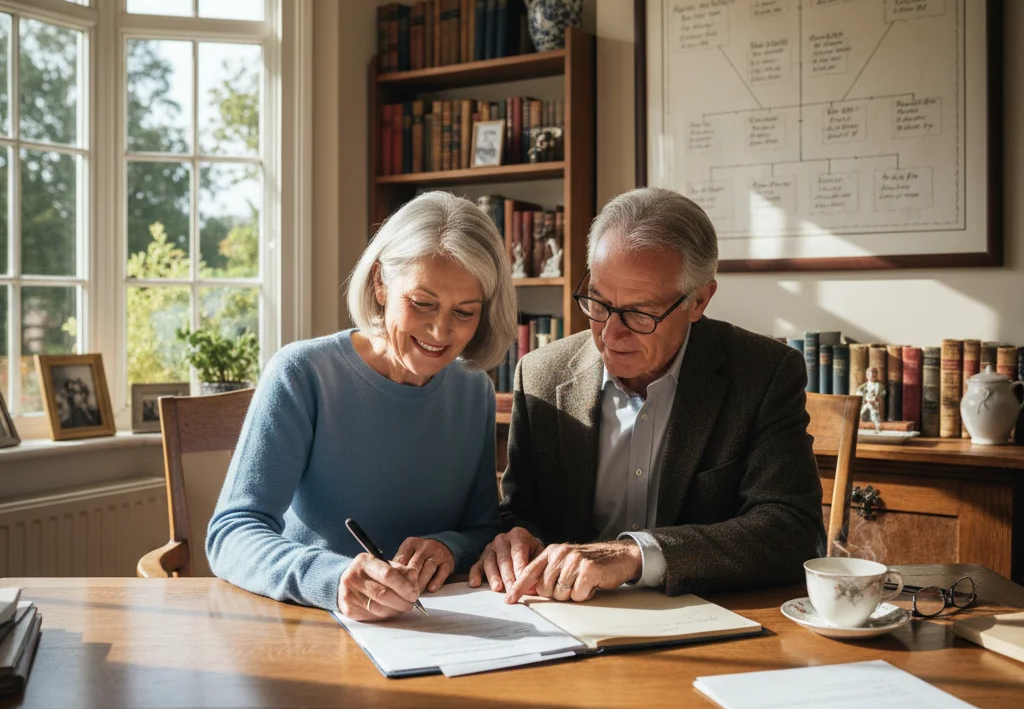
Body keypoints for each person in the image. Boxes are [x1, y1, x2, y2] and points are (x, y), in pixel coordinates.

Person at [470, 187, 823, 604]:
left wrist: (636, 554)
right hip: (569, 616)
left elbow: (792, 530)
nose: (610, 334)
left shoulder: (763, 373)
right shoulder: (542, 374)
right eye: (598, 303)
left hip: (708, 617)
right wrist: (516, 539)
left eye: (640, 314)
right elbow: (523, 511)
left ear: (699, 301)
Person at [208, 191, 517, 620]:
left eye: (464, 312)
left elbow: (482, 529)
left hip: (433, 627)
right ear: (379, 283)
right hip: (309, 625)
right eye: (422, 303)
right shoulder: (302, 374)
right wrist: (333, 580)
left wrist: (449, 547)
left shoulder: (473, 391)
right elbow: (231, 533)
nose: (440, 330)